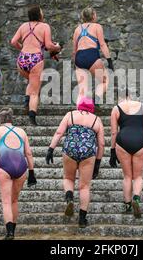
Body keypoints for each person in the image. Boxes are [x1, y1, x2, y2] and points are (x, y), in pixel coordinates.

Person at [46, 97, 105, 228]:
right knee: (84, 186)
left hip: (70, 149)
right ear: (92, 107)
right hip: (88, 153)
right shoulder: (96, 120)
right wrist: (98, 163)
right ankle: (82, 219)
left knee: (68, 178)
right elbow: (101, 143)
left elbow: (59, 132)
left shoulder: (70, 115)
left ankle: (69, 197)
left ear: (79, 105)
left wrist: (50, 149)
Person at [0, 107, 37, 240]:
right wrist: (31, 172)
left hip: (5, 165)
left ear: (0, 119)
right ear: (11, 118)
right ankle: (13, 231)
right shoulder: (21, 132)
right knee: (14, 200)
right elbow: (28, 153)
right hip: (22, 167)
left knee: (6, 202)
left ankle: (10, 233)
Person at [10, 5, 62, 125]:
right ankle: (32, 118)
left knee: (31, 83)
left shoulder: (23, 26)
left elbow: (13, 42)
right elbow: (48, 45)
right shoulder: (44, 27)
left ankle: (26, 104)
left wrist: (22, 48)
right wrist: (57, 47)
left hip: (22, 59)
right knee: (35, 91)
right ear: (39, 15)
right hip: (35, 59)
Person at [110, 89, 143, 218]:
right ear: (129, 96)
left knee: (127, 176)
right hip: (141, 140)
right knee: (138, 176)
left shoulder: (116, 109)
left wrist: (112, 151)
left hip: (123, 141)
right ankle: (136, 199)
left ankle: (127, 205)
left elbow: (113, 133)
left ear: (119, 98)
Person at [72, 7, 114, 106]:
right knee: (105, 81)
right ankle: (95, 98)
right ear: (93, 16)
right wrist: (109, 61)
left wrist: (76, 64)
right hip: (92, 55)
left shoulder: (77, 29)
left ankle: (80, 115)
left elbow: (74, 50)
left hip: (79, 57)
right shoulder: (97, 26)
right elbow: (103, 45)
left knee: (82, 89)